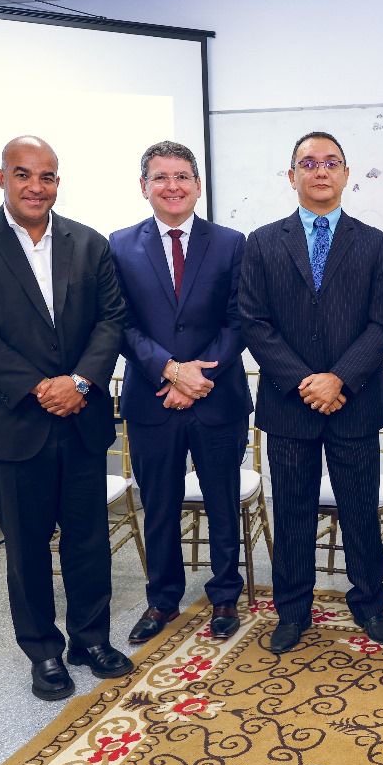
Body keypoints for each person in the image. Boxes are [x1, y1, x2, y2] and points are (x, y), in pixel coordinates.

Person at [0, 136, 132, 701]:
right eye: (23, 174)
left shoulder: (89, 243)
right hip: (12, 422)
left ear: (57, 182)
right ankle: (43, 652)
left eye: (47, 176)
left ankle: (91, 639)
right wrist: (38, 387)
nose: (35, 186)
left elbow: (111, 319)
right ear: (1, 177)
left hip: (81, 415)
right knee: (26, 547)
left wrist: (79, 382)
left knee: (88, 539)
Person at [238, 131, 383, 655]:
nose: (320, 171)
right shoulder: (262, 242)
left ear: (347, 174)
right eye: (308, 163)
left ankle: (369, 604)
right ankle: (292, 611)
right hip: (290, 405)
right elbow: (254, 322)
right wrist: (306, 382)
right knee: (293, 512)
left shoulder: (373, 242)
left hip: (353, 402)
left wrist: (339, 379)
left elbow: (381, 324)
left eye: (331, 162)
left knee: (359, 512)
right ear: (292, 176)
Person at [110, 141, 251, 645]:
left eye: (183, 176)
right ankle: (162, 599)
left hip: (218, 398)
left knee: (221, 500)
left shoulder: (233, 242)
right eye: (161, 177)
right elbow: (119, 323)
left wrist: (199, 378)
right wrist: (170, 372)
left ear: (197, 184)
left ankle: (225, 594)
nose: (173, 186)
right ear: (144, 186)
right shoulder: (119, 245)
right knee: (161, 504)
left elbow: (240, 319)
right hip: (152, 400)